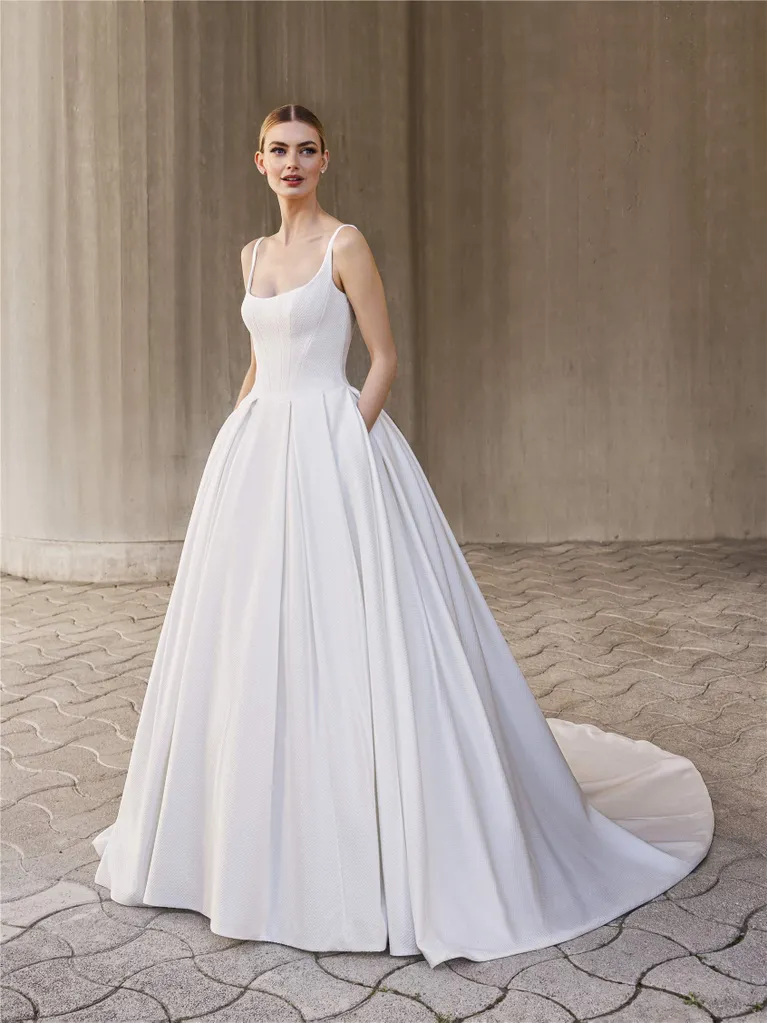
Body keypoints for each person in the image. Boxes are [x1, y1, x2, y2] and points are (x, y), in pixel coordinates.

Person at [92, 103, 714, 970]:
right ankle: (243, 836)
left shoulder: (345, 245)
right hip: (259, 452)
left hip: (335, 445)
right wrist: (231, 437)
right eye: (279, 150)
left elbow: (381, 355)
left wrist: (354, 440)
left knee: (357, 632)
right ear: (258, 161)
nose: (292, 162)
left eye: (307, 150)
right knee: (250, 636)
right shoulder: (252, 255)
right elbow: (260, 360)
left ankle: (372, 829)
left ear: (325, 159)